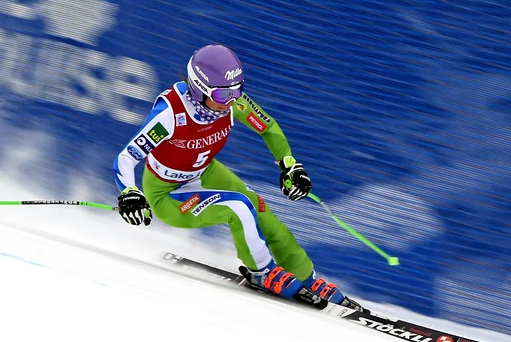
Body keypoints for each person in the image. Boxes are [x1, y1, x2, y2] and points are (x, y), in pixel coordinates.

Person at [112, 43, 365, 310]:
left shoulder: (233, 104)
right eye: (223, 95)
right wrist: (129, 193)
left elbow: (268, 127)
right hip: (167, 193)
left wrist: (289, 166)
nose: (232, 101)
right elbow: (126, 158)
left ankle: (306, 277)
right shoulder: (170, 115)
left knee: (263, 213)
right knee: (238, 207)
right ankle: (262, 272)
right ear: (199, 90)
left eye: (237, 90)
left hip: (205, 172)